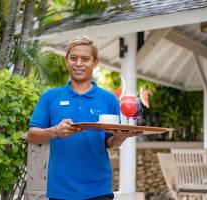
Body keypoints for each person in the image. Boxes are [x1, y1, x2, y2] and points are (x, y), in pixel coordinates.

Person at [27, 36, 141, 200]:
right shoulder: (50, 96)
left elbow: (110, 143)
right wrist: (55, 132)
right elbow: (32, 135)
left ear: (95, 62)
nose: (78, 63)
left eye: (85, 59)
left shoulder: (108, 99)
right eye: (73, 58)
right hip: (60, 192)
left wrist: (119, 138)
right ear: (67, 60)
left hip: (99, 190)